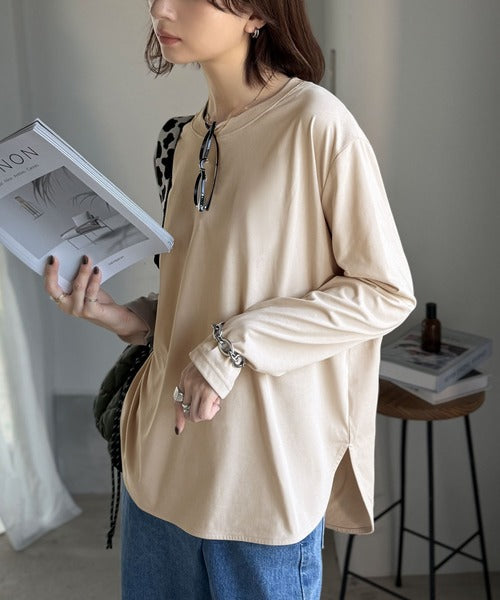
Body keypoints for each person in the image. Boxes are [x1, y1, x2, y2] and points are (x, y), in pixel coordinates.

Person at [44, 1, 416, 598]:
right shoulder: (181, 139)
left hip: (259, 491)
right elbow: (201, 295)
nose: (160, 7)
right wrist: (122, 316)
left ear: (255, 13)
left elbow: (384, 291)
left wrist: (233, 345)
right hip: (157, 479)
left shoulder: (317, 124)